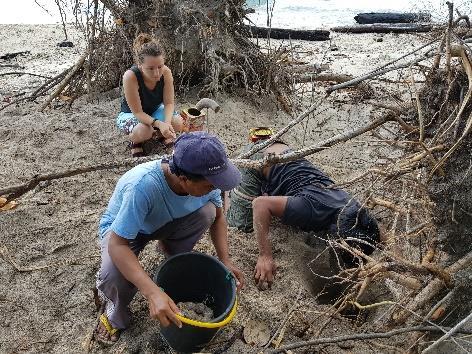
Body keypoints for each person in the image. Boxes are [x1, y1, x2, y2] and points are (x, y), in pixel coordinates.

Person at [95, 132, 244, 344]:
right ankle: (114, 314)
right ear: (183, 179)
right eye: (210, 185)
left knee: (207, 212)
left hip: (165, 221)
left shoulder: (206, 182)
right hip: (126, 232)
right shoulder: (143, 186)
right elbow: (117, 245)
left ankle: (171, 258)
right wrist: (152, 292)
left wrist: (225, 260)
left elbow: (219, 219)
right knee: (114, 275)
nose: (216, 188)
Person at [227, 140, 380, 290]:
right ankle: (230, 184)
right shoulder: (311, 209)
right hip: (260, 158)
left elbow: (375, 229)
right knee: (240, 225)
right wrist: (265, 255)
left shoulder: (353, 208)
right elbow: (260, 204)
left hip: (287, 154)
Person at [117, 33, 183, 157]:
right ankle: (136, 141)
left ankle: (159, 134)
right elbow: (137, 113)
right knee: (144, 131)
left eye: (160, 66)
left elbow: (169, 103)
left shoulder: (166, 72)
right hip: (131, 114)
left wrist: (167, 123)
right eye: (150, 68)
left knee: (178, 123)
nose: (157, 73)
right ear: (140, 65)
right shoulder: (130, 76)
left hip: (154, 110)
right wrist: (159, 124)